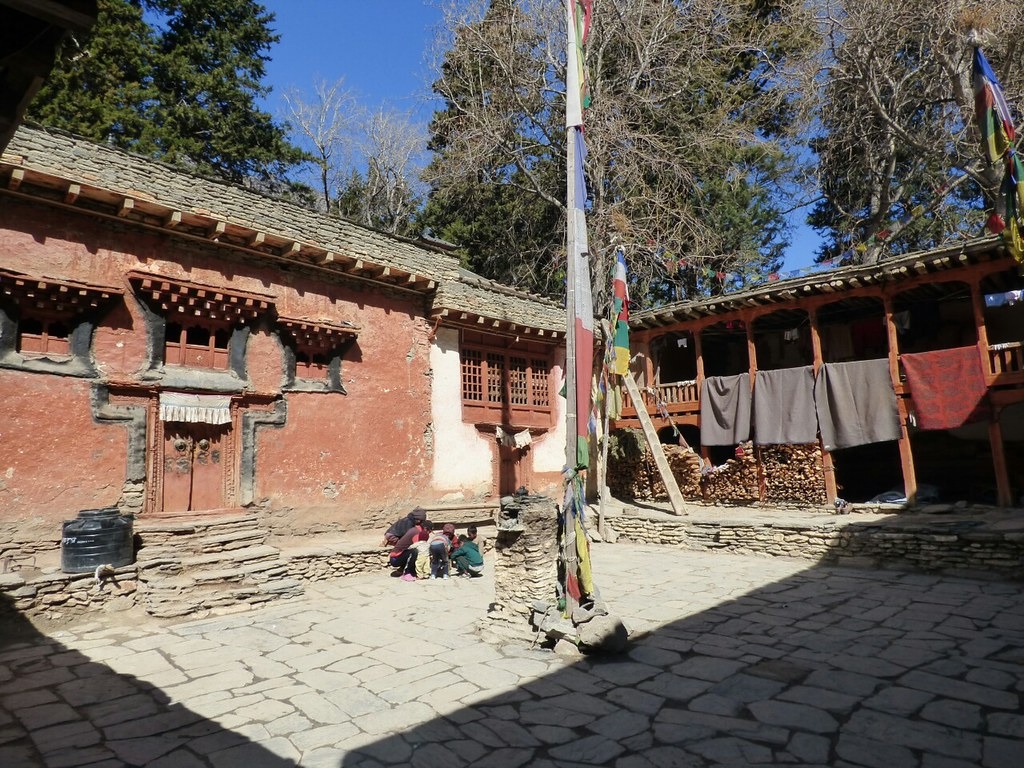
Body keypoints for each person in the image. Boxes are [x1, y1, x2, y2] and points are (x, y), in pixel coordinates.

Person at [388, 517, 425, 581]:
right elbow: (417, 546)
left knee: (410, 552)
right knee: (415, 552)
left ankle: (401, 570)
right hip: (395, 559)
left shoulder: (414, 529)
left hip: (396, 556)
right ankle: (408, 573)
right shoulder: (417, 532)